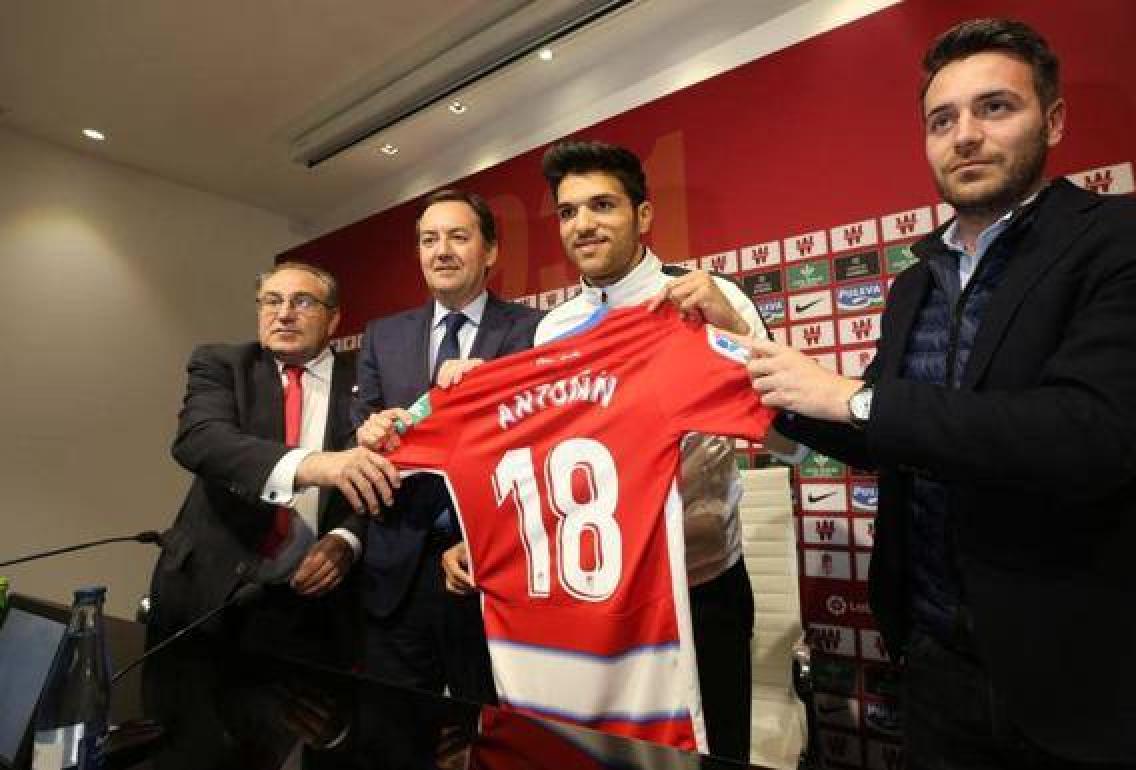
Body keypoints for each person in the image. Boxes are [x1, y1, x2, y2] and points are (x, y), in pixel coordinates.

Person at [737, 18, 1136, 768]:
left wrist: (852, 397)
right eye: (942, 120)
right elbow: (891, 430)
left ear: (1055, 119)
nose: (965, 135)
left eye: (994, 108)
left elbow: (1088, 434)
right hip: (941, 671)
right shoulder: (918, 282)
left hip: (1104, 680)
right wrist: (754, 372)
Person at [444, 140, 775, 761]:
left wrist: (727, 325)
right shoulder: (552, 329)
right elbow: (550, 462)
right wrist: (488, 538)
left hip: (698, 591)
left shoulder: (707, 299)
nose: (583, 224)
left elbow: (783, 432)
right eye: (568, 212)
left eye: (602, 205)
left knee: (707, 756)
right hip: (595, 600)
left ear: (644, 216)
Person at [149, 261, 400, 662]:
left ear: (334, 319)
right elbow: (200, 440)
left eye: (302, 301)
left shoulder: (370, 382)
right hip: (209, 593)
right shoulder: (223, 364)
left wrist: (348, 540)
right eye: (272, 301)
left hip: (321, 606)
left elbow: (393, 476)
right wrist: (317, 465)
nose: (284, 313)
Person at [353, 189, 542, 700]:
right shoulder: (382, 335)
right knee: (394, 731)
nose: (442, 251)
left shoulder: (535, 331)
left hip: (492, 565)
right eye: (429, 239)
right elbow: (363, 423)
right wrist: (369, 433)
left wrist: (493, 391)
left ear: (491, 251)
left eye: (459, 237)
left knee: (488, 727)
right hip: (397, 570)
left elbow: (545, 438)